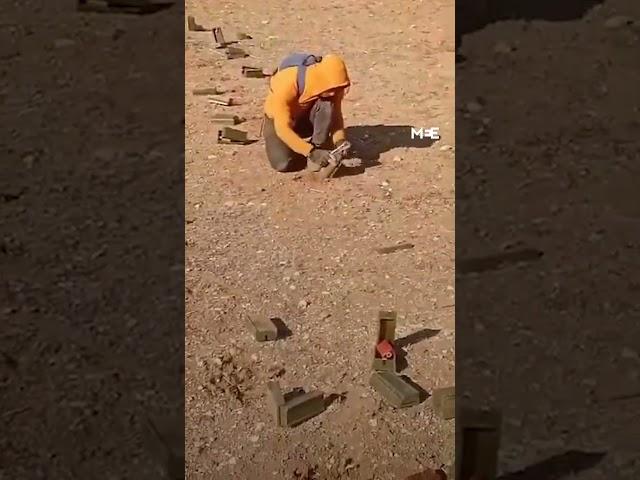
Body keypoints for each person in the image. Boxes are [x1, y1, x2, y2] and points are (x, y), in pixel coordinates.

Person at [262, 53, 351, 172]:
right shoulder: (286, 83)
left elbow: (336, 117)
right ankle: (312, 153)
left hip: (304, 118)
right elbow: (282, 129)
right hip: (278, 122)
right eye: (330, 90)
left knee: (327, 105)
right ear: (320, 80)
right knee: (282, 163)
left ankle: (319, 146)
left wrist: (339, 140)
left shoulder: (334, 86)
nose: (333, 94)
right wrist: (310, 152)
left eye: (337, 90)